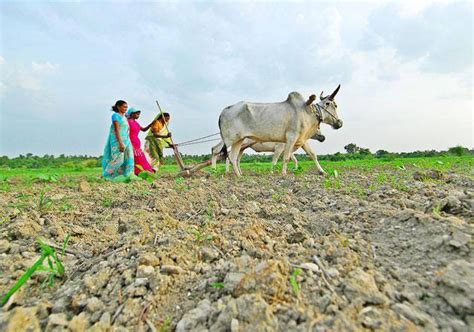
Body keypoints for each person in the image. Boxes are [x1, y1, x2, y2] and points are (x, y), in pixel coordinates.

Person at [102, 100, 134, 179]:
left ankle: (127, 176)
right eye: (124, 107)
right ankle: (104, 176)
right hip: (117, 141)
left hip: (127, 140)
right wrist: (121, 143)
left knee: (129, 158)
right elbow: (117, 130)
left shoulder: (125, 117)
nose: (126, 109)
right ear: (118, 107)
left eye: (127, 107)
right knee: (118, 160)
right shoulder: (115, 116)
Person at [126, 108, 156, 175]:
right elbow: (125, 133)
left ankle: (138, 172)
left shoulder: (136, 123)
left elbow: (143, 129)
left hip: (137, 143)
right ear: (132, 114)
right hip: (130, 142)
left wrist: (150, 124)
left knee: (137, 157)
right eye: (137, 114)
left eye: (139, 114)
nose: (138, 116)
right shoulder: (127, 122)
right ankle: (142, 172)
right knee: (137, 158)